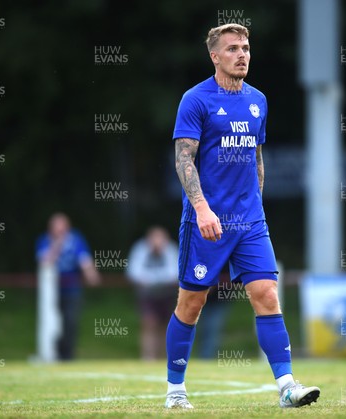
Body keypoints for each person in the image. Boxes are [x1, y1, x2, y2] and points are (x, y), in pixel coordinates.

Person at [165, 24, 319, 409]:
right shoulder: (195, 99)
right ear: (215, 56)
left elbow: (256, 158)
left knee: (266, 294)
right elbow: (184, 158)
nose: (242, 54)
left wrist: (257, 208)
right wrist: (201, 208)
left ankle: (287, 387)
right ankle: (175, 391)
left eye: (246, 48)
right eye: (232, 49)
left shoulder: (258, 101)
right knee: (191, 304)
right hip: (206, 221)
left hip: (249, 221)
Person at [35, 213, 100, 360]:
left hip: (72, 288)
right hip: (51, 291)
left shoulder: (75, 239)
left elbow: (84, 259)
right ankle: (52, 352)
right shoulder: (44, 241)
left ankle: (67, 355)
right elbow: (44, 262)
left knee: (70, 321)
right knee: (52, 322)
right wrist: (57, 245)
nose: (60, 231)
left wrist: (91, 274)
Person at [126, 226, 179, 360]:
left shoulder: (171, 249)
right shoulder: (140, 249)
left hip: (167, 294)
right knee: (149, 324)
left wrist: (151, 278)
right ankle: (148, 358)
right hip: (147, 294)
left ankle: (162, 358)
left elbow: (175, 273)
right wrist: (159, 278)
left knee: (166, 327)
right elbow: (133, 273)